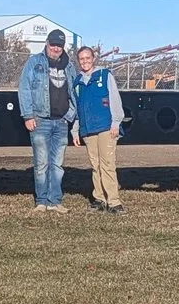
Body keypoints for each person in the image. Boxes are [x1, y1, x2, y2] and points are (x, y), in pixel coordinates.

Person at [15, 29, 78, 211]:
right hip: (40, 120)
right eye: (53, 44)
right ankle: (41, 201)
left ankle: (55, 201)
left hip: (61, 122)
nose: (56, 48)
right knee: (41, 163)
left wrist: (70, 115)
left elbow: (74, 92)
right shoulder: (34, 62)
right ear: (47, 43)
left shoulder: (69, 66)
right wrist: (28, 115)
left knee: (57, 164)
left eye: (59, 45)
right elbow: (24, 89)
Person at [72, 46, 127, 213]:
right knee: (95, 165)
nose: (85, 61)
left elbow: (115, 99)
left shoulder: (105, 75)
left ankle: (114, 201)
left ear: (93, 58)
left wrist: (116, 123)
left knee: (107, 164)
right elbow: (76, 108)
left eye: (87, 58)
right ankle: (99, 199)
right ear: (78, 61)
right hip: (88, 130)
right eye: (81, 59)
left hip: (106, 127)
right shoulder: (77, 82)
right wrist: (75, 130)